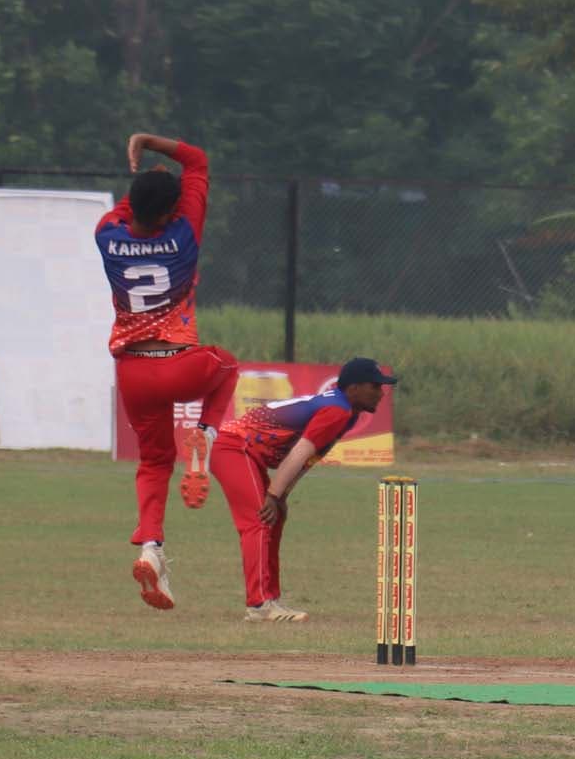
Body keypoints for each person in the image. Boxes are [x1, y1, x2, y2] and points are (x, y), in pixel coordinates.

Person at [99, 131, 241, 611]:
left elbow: (132, 207)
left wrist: (146, 179)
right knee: (227, 364)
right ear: (169, 214)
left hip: (133, 373)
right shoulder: (184, 235)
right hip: (181, 365)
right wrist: (150, 144)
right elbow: (197, 161)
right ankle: (204, 434)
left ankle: (150, 548)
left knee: (154, 462)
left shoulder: (107, 235)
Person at [208, 358, 397, 622]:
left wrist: (281, 496)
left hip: (243, 450)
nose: (381, 393)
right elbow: (300, 452)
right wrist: (273, 495)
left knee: (272, 519)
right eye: (375, 386)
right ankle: (260, 605)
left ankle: (270, 599)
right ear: (354, 388)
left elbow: (309, 458)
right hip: (234, 447)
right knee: (258, 521)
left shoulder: (347, 412)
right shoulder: (337, 410)